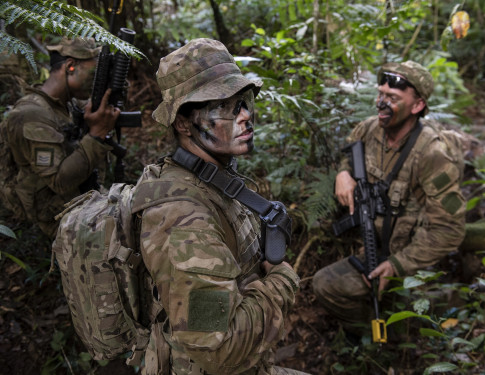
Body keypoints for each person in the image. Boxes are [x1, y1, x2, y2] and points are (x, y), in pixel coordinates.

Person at [134, 38, 308, 375]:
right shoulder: (185, 221)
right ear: (183, 123)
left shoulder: (212, 178)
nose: (245, 117)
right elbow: (220, 352)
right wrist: (282, 280)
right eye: (224, 107)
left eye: (243, 102)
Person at [312, 61, 466, 336]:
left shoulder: (432, 154)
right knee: (325, 284)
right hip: (372, 244)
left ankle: (393, 332)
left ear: (417, 106)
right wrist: (343, 174)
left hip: (410, 256)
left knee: (329, 285)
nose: (381, 103)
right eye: (380, 94)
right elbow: (349, 155)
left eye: (392, 98)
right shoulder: (369, 129)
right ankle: (370, 330)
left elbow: (450, 229)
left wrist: (397, 265)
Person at [0, 37, 119, 238]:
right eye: (94, 74)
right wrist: (97, 135)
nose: (96, 82)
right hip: (53, 211)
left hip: (79, 195)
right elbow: (59, 181)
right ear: (70, 67)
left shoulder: (68, 106)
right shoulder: (32, 114)